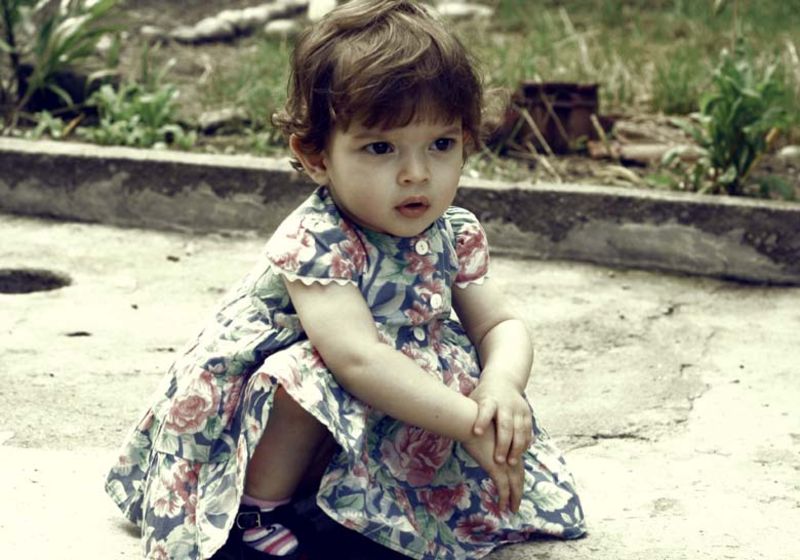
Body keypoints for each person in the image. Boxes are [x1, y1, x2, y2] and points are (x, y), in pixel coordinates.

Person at [105, 1, 586, 558]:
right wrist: (471, 424)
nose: (416, 173)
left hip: (383, 387)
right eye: (381, 148)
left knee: (447, 378)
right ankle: (258, 511)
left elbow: (499, 324)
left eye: (441, 144)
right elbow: (358, 360)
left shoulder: (453, 231)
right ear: (316, 157)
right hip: (272, 408)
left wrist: (499, 385)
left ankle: (359, 498)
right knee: (305, 374)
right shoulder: (318, 238)